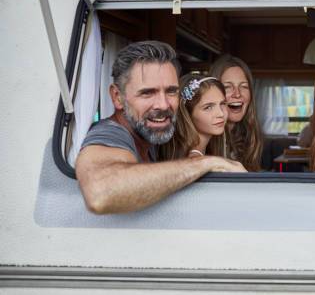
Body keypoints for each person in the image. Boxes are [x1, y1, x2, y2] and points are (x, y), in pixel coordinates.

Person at [76, 41, 245, 215]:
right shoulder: (110, 133)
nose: (163, 105)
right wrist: (206, 163)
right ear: (117, 97)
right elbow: (100, 193)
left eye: (171, 91)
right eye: (147, 93)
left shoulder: (149, 135)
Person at [159, 75, 245, 167]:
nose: (221, 114)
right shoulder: (194, 162)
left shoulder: (205, 152)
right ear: (188, 114)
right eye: (208, 107)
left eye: (222, 104)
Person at [209, 54, 263, 171]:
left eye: (244, 86)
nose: (237, 94)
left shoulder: (248, 135)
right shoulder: (204, 139)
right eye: (228, 87)